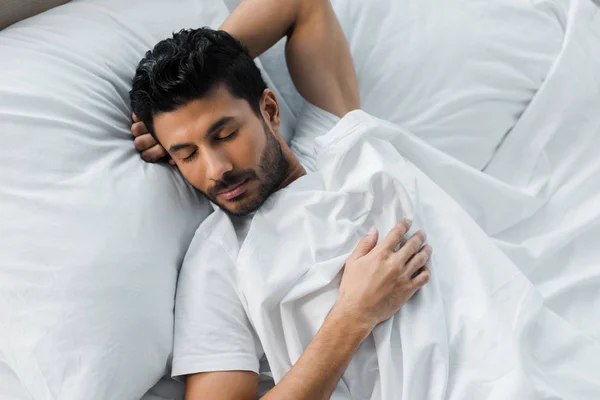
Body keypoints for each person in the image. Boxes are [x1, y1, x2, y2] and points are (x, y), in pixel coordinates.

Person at [130, 0, 431, 398]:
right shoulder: (218, 261)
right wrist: (353, 316)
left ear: (269, 110)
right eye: (187, 154)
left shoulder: (335, 141)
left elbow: (300, 5)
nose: (216, 168)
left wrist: (218, 67)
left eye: (224, 135)